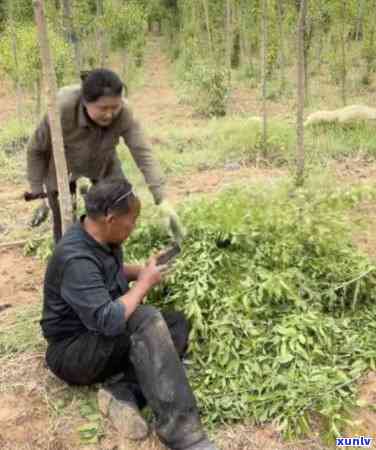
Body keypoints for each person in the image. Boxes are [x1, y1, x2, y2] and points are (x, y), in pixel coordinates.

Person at [41, 178, 218, 450]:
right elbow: (109, 320)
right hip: (74, 352)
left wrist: (142, 271)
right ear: (111, 218)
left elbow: (107, 273)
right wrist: (144, 283)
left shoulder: (101, 237)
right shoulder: (75, 257)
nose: (133, 227)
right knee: (145, 319)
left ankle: (122, 393)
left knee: (176, 323)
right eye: (132, 220)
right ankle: (183, 433)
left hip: (99, 339)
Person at [26, 68, 183, 243]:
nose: (109, 114)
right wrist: (39, 194)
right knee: (64, 224)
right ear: (85, 102)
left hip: (103, 160)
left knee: (121, 206)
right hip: (63, 165)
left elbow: (143, 152)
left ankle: (108, 254)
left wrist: (161, 198)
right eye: (103, 108)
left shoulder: (124, 113)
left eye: (114, 107)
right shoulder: (62, 108)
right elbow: (36, 149)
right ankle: (68, 260)